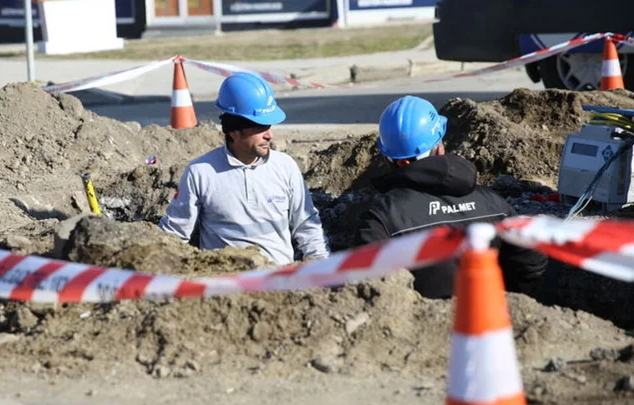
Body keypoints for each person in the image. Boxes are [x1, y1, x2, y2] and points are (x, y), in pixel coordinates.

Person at [355, 95, 548, 298]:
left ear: (388, 158)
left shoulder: (381, 219)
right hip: (489, 313)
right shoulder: (494, 203)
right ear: (439, 148)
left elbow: (368, 285)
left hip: (421, 318)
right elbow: (532, 263)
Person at [158, 72, 330, 265]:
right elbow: (174, 236)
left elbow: (307, 225)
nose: (269, 135)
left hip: (279, 278)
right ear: (234, 131)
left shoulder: (285, 166)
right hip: (227, 280)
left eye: (269, 126)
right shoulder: (200, 173)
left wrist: (322, 266)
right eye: (260, 127)